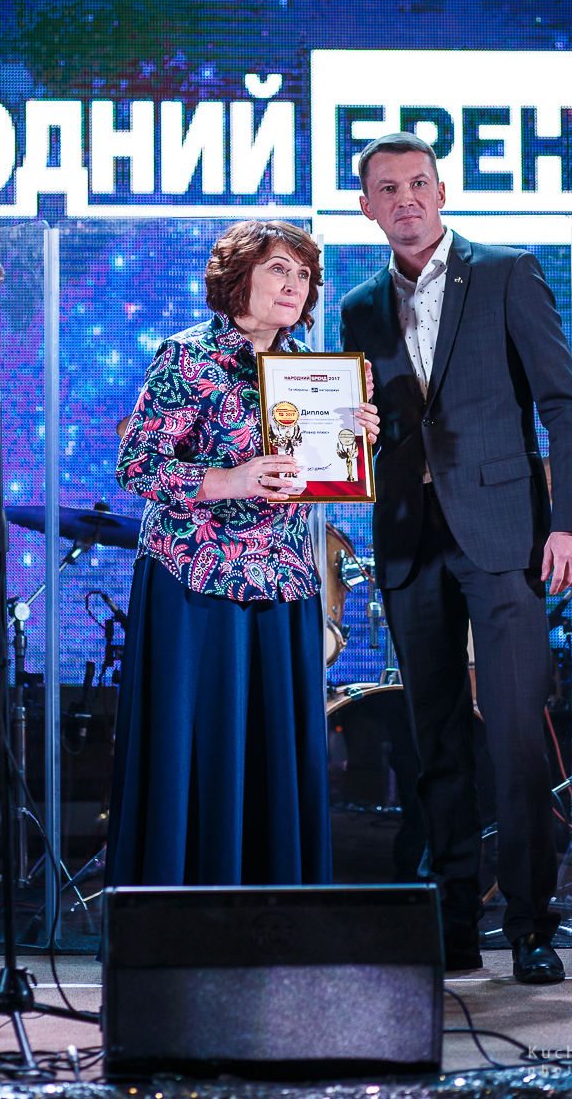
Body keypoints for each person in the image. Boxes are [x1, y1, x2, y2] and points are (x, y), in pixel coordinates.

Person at [340, 132, 572, 985]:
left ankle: (529, 927)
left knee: (517, 738)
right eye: (387, 188)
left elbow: (564, 404)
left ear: (441, 192)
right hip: (408, 539)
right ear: (366, 207)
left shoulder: (506, 272)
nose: (405, 198)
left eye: (418, 182)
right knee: (436, 743)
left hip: (504, 535)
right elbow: (367, 430)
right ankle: (453, 924)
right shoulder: (358, 307)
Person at [105, 219, 379, 885]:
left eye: (303, 274)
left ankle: (277, 911)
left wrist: (356, 442)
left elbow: (320, 477)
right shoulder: (187, 357)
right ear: (236, 278)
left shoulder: (311, 367)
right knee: (194, 751)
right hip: (195, 583)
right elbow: (136, 465)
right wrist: (228, 480)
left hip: (283, 582)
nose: (294, 285)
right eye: (277, 269)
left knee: (273, 754)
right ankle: (182, 907)